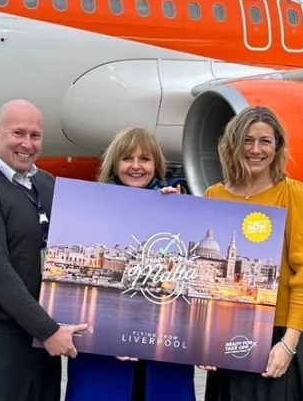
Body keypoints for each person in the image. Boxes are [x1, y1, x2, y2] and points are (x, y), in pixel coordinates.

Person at [0, 99, 89, 401]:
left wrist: (160, 200)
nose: (27, 144)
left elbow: (91, 233)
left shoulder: (46, 183)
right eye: (18, 133)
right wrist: (48, 330)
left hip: (40, 342)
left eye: (35, 136)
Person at [200, 106, 303, 401]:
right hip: (228, 334)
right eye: (247, 140)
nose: (255, 149)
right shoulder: (214, 195)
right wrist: (203, 343)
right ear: (233, 144)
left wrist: (288, 343)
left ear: (278, 147)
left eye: (265, 141)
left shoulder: (292, 193)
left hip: (285, 335)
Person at [64, 127, 195, 401]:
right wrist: (110, 336)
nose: (136, 166)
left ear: (156, 165)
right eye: (127, 158)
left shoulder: (180, 207)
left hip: (162, 358)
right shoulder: (88, 207)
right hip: (102, 358)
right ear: (114, 163)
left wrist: (181, 212)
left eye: (145, 159)